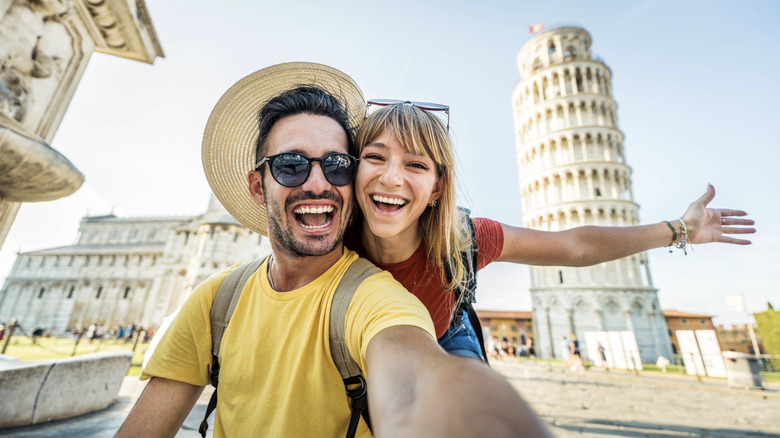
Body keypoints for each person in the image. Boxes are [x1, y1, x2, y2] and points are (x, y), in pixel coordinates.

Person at [115, 62, 550, 438]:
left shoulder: (374, 297)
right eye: (290, 165)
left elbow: (415, 376)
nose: (318, 183)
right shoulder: (216, 300)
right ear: (256, 185)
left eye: (337, 165)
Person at [348, 101, 756, 361]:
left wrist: (680, 228)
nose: (391, 177)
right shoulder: (334, 244)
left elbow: (575, 246)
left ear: (438, 187)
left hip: (444, 338)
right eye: (375, 157)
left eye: (416, 165)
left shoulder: (466, 240)